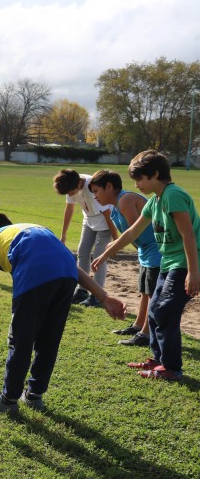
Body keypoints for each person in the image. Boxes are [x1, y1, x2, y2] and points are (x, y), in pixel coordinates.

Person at [0, 213, 126, 414]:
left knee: (21, 340)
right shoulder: (31, 228)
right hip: (66, 276)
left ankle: (8, 400)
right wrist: (103, 296)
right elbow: (69, 264)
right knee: (49, 339)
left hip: (34, 273)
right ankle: (34, 395)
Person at [93, 151, 200, 381]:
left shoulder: (173, 195)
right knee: (154, 311)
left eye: (140, 179)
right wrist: (105, 254)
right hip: (168, 263)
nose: (137, 185)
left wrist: (193, 271)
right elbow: (132, 231)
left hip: (184, 263)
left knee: (164, 311)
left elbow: (188, 235)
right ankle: (158, 360)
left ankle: (171, 368)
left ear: (156, 174)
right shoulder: (155, 200)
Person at [88, 169, 162, 346]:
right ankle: (138, 326)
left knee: (152, 292)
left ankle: (146, 334)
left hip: (157, 250)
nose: (95, 197)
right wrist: (113, 245)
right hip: (146, 251)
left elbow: (134, 231)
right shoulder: (114, 207)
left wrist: (109, 250)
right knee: (145, 290)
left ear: (109, 186)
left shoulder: (126, 199)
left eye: (97, 191)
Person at [54, 168, 112, 307]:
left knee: (99, 257)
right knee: (83, 253)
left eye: (71, 192)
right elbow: (69, 209)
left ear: (79, 184)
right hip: (89, 219)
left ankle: (97, 296)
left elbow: (107, 213)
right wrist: (63, 235)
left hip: (106, 222)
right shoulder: (70, 184)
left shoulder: (93, 188)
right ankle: (82, 291)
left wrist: (115, 238)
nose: (70, 195)